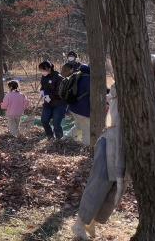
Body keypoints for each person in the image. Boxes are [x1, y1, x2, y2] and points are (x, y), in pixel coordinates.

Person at [72, 84, 124, 240]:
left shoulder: (151, 95)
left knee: (116, 189)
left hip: (126, 149)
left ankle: (91, 221)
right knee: (99, 183)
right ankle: (80, 224)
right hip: (110, 141)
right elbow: (115, 88)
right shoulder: (121, 88)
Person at [61, 62, 92, 145]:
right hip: (83, 110)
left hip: (73, 108)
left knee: (79, 126)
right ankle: (87, 147)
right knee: (87, 129)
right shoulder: (89, 79)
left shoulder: (78, 76)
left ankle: (68, 138)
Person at [39, 60, 66, 140]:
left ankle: (59, 139)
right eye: (41, 70)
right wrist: (42, 91)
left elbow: (60, 92)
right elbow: (43, 86)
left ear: (49, 68)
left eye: (43, 69)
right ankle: (50, 136)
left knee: (56, 123)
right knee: (44, 120)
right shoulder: (44, 77)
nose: (42, 72)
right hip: (48, 103)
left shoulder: (58, 77)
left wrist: (49, 97)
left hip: (59, 104)